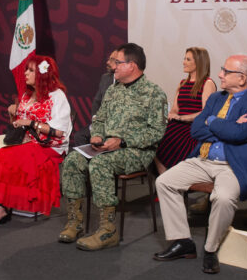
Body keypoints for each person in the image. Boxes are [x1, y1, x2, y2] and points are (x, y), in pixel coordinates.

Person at [153, 54, 247, 274]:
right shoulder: (217, 98)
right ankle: (183, 242)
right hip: (203, 159)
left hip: (233, 166)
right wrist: (227, 126)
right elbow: (196, 129)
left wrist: (214, 121)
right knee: (164, 181)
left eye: (226, 71)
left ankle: (210, 249)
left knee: (223, 198)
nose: (220, 75)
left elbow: (238, 134)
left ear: (242, 78)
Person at [59, 42, 167, 251]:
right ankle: (75, 222)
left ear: (132, 65)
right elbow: (99, 119)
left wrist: (123, 141)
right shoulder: (113, 90)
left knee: (100, 164)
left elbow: (156, 133)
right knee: (72, 160)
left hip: (136, 152)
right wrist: (97, 135)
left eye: (118, 62)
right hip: (106, 147)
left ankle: (108, 230)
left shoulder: (154, 94)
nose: (113, 66)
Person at [0, 55, 71, 227]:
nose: (26, 74)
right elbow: (17, 124)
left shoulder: (57, 96)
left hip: (48, 145)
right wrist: (12, 114)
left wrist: (31, 123)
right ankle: (4, 201)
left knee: (8, 156)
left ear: (42, 73)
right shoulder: (27, 95)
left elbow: (60, 132)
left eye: (31, 70)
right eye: (26, 70)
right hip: (26, 141)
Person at [154, 47, 217, 175]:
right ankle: (165, 179)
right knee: (153, 139)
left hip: (194, 128)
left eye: (188, 59)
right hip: (177, 125)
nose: (184, 62)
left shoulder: (207, 83)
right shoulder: (183, 83)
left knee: (171, 140)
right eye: (184, 58)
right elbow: (175, 109)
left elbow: (206, 113)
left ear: (199, 62)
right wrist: (171, 115)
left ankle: (170, 182)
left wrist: (182, 118)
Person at [72, 49, 118, 146]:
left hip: (116, 126)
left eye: (112, 60)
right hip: (100, 122)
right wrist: (95, 119)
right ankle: (87, 160)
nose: (107, 62)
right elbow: (97, 102)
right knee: (79, 136)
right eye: (108, 59)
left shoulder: (128, 83)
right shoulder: (105, 78)